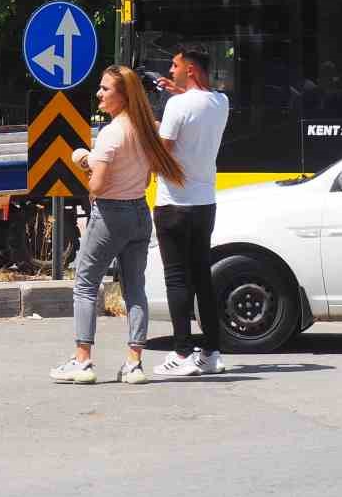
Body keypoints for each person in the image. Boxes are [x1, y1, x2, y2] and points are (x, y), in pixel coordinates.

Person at [51, 66, 184, 386]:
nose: (99, 94)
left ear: (123, 95)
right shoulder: (147, 129)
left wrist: (84, 160)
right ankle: (134, 363)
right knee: (134, 289)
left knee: (84, 284)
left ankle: (82, 361)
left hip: (111, 215)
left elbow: (97, 185)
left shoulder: (112, 133)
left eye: (105, 89)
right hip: (140, 212)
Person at [152, 45, 232, 377]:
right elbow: (197, 109)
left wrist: (154, 119)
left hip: (174, 204)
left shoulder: (176, 106)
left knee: (177, 278)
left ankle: (182, 352)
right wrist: (178, 94)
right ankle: (211, 352)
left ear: (191, 70)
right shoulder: (222, 103)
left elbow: (162, 153)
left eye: (174, 65)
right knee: (202, 276)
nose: (170, 71)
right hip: (204, 203)